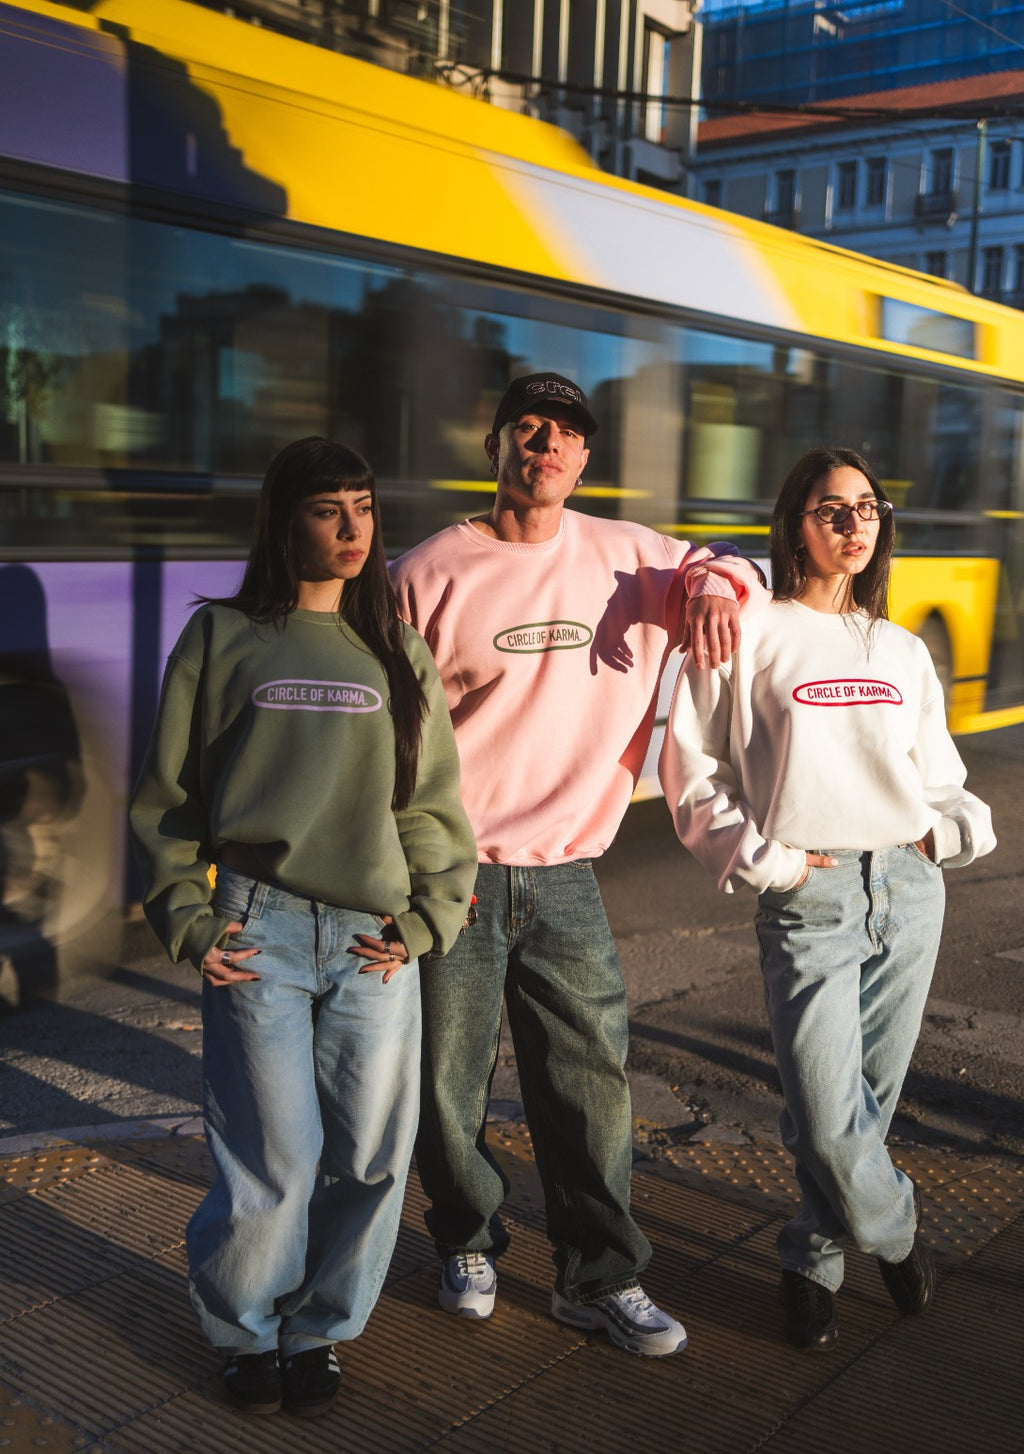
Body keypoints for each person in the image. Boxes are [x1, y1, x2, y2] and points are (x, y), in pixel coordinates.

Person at [390, 372, 768, 1357]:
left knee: (591, 1084)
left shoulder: (630, 558)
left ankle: (598, 1277)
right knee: (443, 1081)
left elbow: (734, 565)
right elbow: (388, 736)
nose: (546, 444)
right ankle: (465, 1241)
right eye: (528, 427)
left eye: (565, 433)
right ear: (495, 445)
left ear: (583, 457)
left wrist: (718, 587)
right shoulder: (428, 570)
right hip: (454, 871)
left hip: (567, 872)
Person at [129, 438, 476, 1417]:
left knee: (368, 1151)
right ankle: (246, 1329)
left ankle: (318, 1327)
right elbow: (168, 797)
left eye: (364, 507)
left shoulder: (396, 651)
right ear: (286, 521)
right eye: (330, 509)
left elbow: (430, 806)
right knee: (271, 1151)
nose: (354, 528)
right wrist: (191, 920)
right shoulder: (222, 638)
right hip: (258, 925)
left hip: (374, 938)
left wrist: (425, 918)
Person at [659, 445, 996, 1352]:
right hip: (811, 895)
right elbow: (691, 770)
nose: (854, 525)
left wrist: (948, 834)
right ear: (794, 525)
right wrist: (763, 861)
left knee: (868, 1106)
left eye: (867, 509)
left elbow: (946, 780)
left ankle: (811, 1257)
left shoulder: (902, 648)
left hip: (909, 886)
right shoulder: (748, 628)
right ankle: (898, 1229)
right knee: (824, 1110)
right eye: (830, 510)